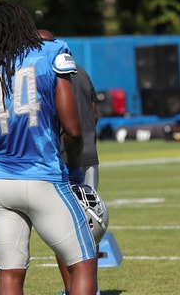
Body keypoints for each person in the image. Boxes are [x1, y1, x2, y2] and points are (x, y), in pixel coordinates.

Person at [0, 0, 97, 294]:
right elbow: (73, 129)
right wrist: (72, 171)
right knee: (83, 263)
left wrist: (1, 170)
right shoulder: (50, 54)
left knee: (10, 273)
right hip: (44, 177)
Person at [38, 29, 103, 295]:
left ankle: (72, 288)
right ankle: (90, 287)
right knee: (90, 224)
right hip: (90, 155)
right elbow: (94, 112)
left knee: (64, 229)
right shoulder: (82, 71)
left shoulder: (47, 73)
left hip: (64, 158)